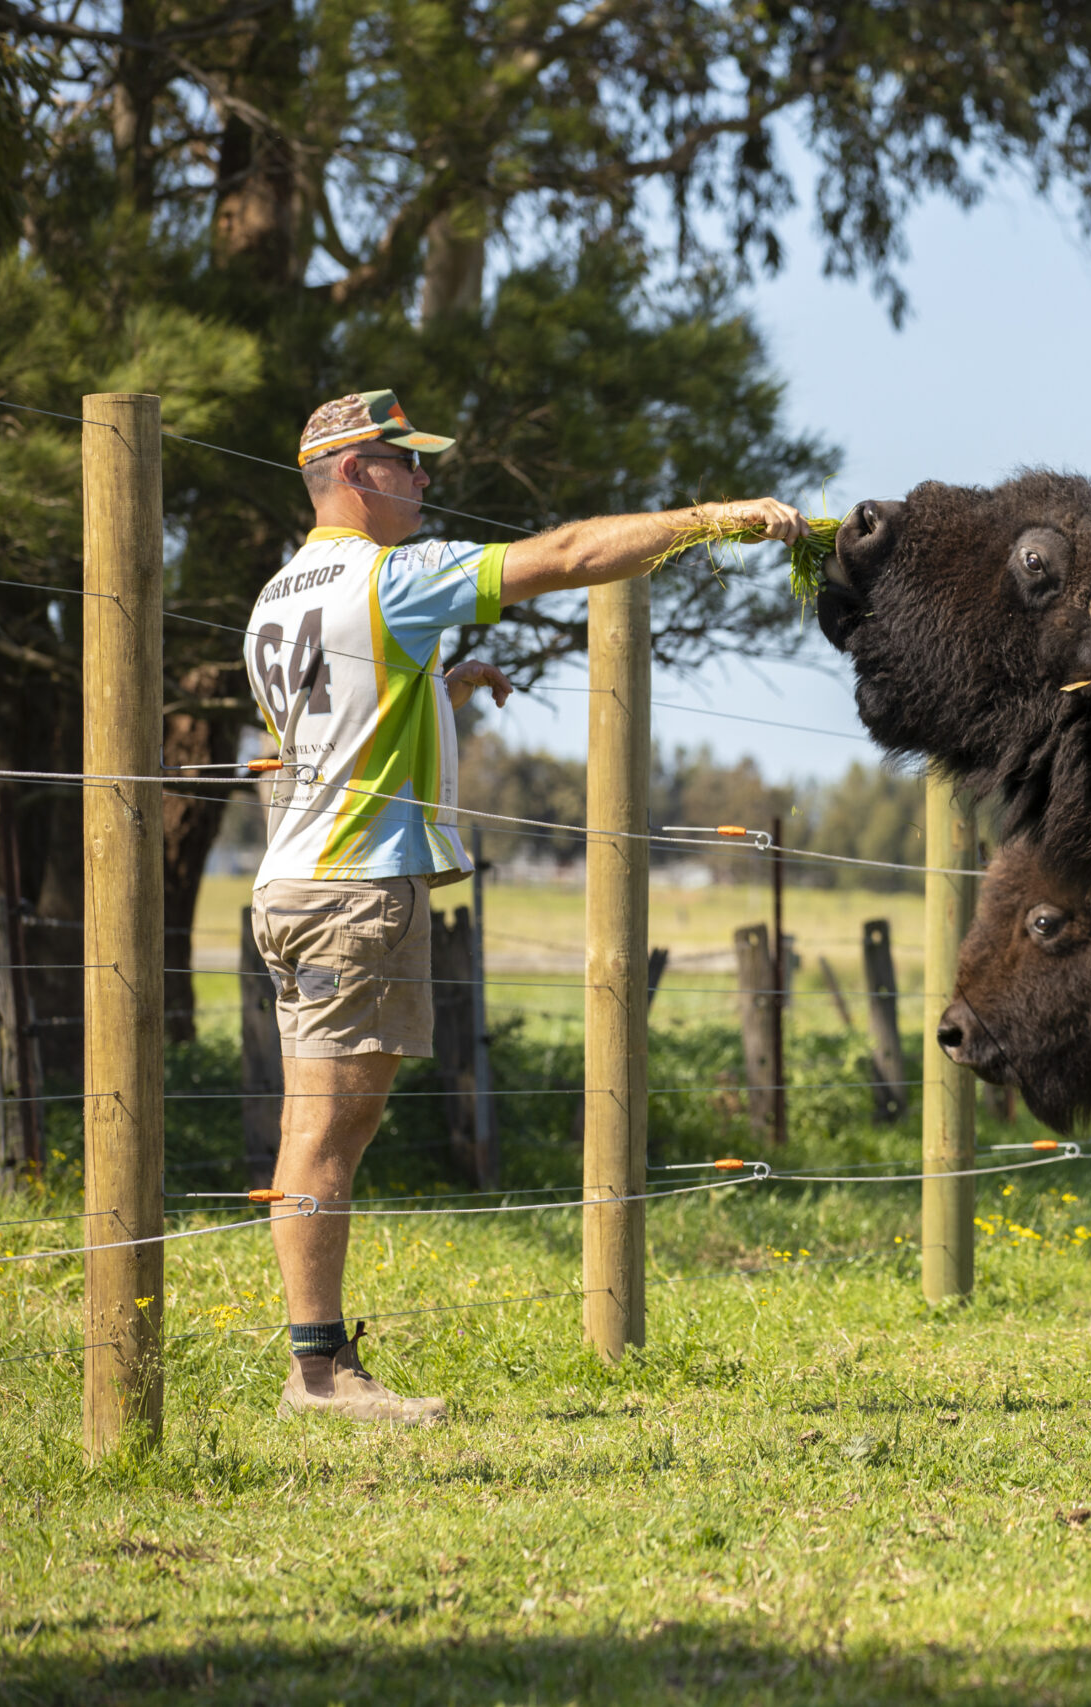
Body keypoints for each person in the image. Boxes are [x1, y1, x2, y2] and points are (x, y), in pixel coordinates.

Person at [242, 389, 806, 1423]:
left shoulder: (277, 597)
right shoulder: (389, 576)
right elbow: (571, 553)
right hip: (356, 889)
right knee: (325, 1135)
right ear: (357, 474)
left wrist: (442, 688)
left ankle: (317, 1365)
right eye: (407, 462)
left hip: (291, 881)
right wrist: (709, 520)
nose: (425, 478)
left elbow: (333, 732)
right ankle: (318, 1376)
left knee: (313, 1128)